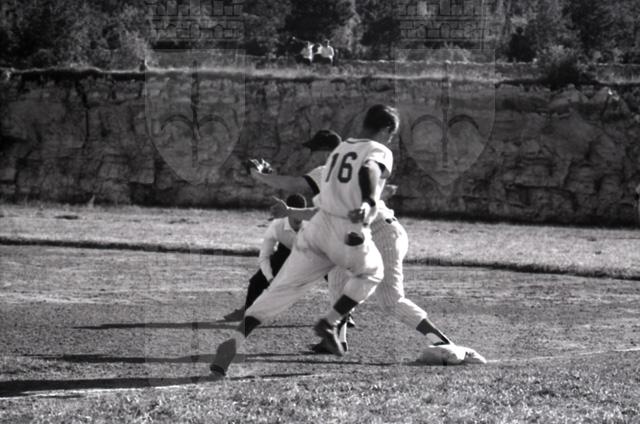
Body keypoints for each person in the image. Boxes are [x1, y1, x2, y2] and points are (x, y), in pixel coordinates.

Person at [210, 104, 400, 378]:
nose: (389, 140)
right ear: (385, 130)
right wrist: (370, 200)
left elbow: (309, 191)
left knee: (279, 290)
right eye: (391, 135)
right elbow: (369, 167)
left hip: (317, 227)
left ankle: (234, 342)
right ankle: (330, 322)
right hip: (346, 229)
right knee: (373, 272)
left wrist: (263, 181)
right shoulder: (379, 149)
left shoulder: (340, 150)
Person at [271, 181, 452, 355]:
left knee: (391, 300)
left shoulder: (344, 181)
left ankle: (441, 341)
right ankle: (337, 340)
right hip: (366, 237)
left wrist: (289, 211)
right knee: (336, 278)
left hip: (383, 235)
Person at [222, 194, 307, 321]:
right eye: (294, 213)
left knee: (332, 272)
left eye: (301, 213)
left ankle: (339, 314)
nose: (299, 217)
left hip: (311, 253)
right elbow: (264, 256)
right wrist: (270, 278)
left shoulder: (313, 224)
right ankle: (247, 310)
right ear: (287, 213)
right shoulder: (276, 226)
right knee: (256, 282)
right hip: (286, 251)